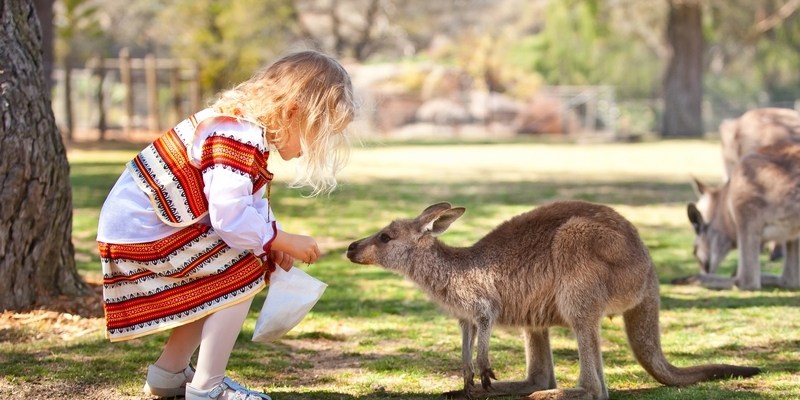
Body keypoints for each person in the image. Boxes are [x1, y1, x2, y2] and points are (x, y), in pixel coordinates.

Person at [96, 50, 356, 400]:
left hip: (147, 228)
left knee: (232, 268)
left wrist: (272, 240)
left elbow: (245, 204)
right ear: (293, 112)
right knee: (242, 268)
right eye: (316, 134)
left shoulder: (244, 130)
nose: (312, 149)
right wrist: (280, 240)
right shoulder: (238, 132)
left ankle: (168, 374)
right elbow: (229, 217)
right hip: (144, 232)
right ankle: (207, 387)